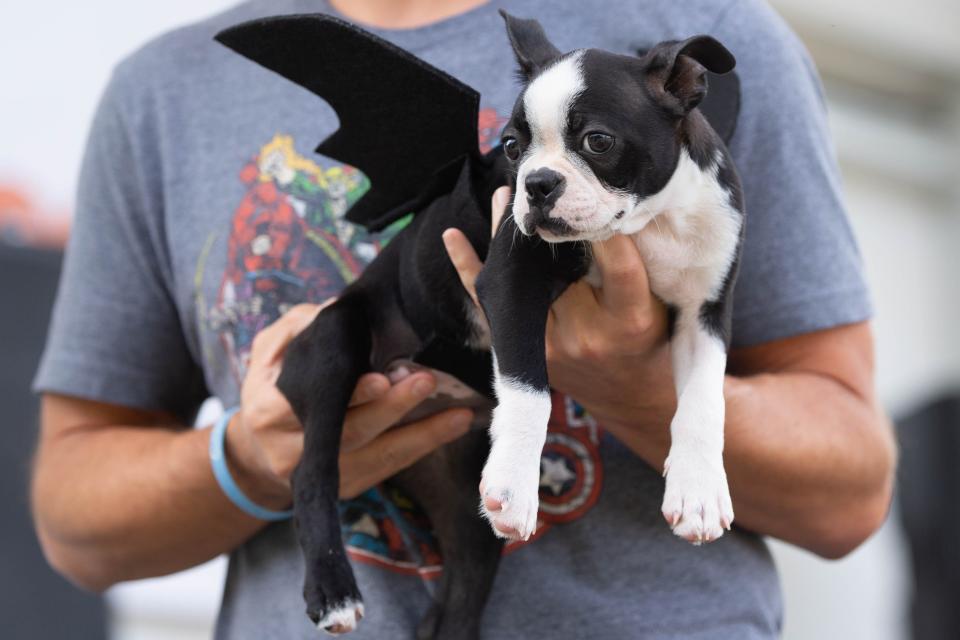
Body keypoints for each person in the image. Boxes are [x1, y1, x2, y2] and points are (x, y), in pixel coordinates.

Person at [30, 0, 895, 637]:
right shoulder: (165, 91)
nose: (540, 173)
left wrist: (636, 384)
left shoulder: (716, 34)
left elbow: (852, 495)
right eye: (524, 152)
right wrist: (251, 460)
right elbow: (74, 524)